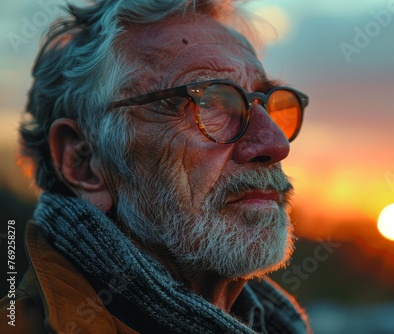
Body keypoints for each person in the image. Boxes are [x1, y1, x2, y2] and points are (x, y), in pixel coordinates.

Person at [0, 0, 310, 332]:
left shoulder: (279, 323)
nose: (275, 144)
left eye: (267, 102)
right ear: (84, 160)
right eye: (211, 102)